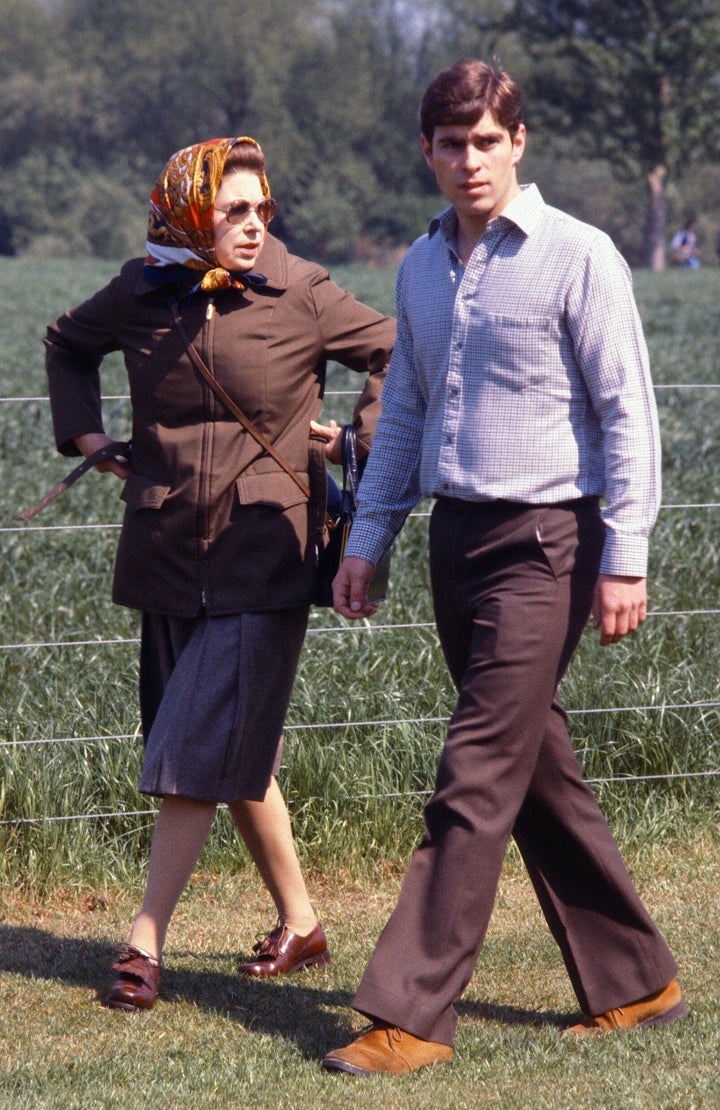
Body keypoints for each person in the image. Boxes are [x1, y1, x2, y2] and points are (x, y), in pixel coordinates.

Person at [322, 60, 686, 1077]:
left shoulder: (580, 256)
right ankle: (637, 981)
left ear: (517, 142)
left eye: (487, 140)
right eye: (451, 143)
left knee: (476, 769)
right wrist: (366, 540)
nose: (470, 160)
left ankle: (411, 1012)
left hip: (550, 547)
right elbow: (403, 415)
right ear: (428, 152)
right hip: (457, 541)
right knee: (530, 767)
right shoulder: (419, 266)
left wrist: (627, 556)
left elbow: (628, 415)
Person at [44, 136, 394, 1011]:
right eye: (230, 209)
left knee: (198, 749)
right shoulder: (142, 290)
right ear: (189, 212)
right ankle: (303, 924)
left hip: (267, 553)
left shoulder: (302, 288)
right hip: (166, 551)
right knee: (226, 748)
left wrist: (360, 440)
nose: (251, 223)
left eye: (260, 207)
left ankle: (143, 942)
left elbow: (398, 351)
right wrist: (89, 438)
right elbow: (65, 343)